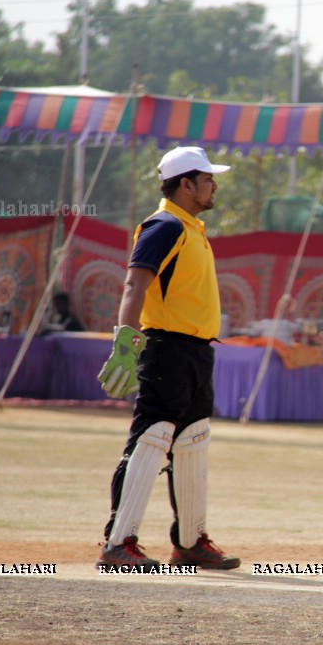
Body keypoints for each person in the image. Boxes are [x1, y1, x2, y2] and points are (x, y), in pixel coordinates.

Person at [95, 146, 240, 571]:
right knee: (151, 440)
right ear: (186, 184)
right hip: (166, 350)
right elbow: (133, 285)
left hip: (196, 351)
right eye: (208, 178)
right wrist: (126, 340)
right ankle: (118, 543)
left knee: (193, 443)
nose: (214, 184)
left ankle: (191, 543)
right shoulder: (165, 225)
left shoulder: (192, 227)